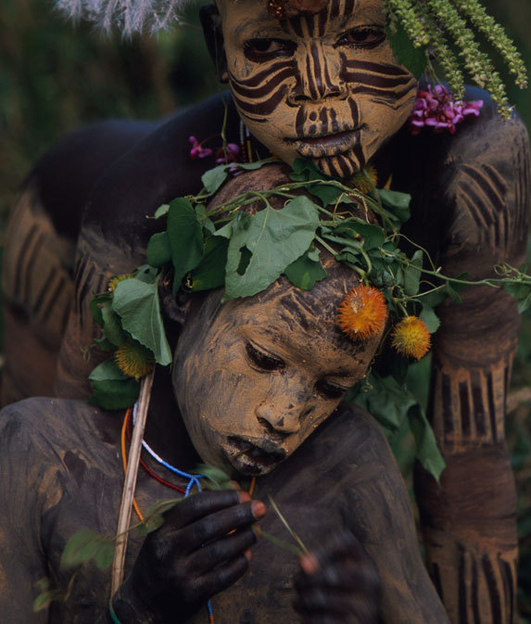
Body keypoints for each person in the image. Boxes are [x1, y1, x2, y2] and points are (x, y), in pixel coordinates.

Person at [1, 0, 530, 622]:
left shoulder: (471, 159)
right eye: (271, 48)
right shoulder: (140, 202)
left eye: (361, 37)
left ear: (414, 19)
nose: (324, 96)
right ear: (220, 48)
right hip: (54, 228)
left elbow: (471, 452)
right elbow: (78, 497)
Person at [0, 165, 448, 623]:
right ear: (182, 296)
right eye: (264, 358)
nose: (286, 416)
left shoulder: (349, 461)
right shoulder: (37, 450)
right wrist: (138, 610)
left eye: (331, 388)